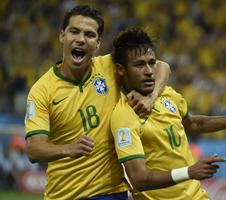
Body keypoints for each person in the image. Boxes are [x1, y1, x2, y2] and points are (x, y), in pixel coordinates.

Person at [110, 28, 226, 200]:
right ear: (120, 69)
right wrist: (189, 172)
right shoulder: (124, 115)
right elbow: (139, 179)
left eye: (151, 62)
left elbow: (194, 124)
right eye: (139, 65)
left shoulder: (167, 93)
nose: (149, 71)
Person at [24, 5, 170, 200]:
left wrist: (150, 98)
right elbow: (34, 150)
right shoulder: (42, 91)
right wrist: (68, 148)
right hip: (66, 194)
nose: (81, 39)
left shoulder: (109, 66)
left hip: (112, 191)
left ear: (98, 43)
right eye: (74, 31)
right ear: (62, 36)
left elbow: (162, 66)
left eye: (89, 34)